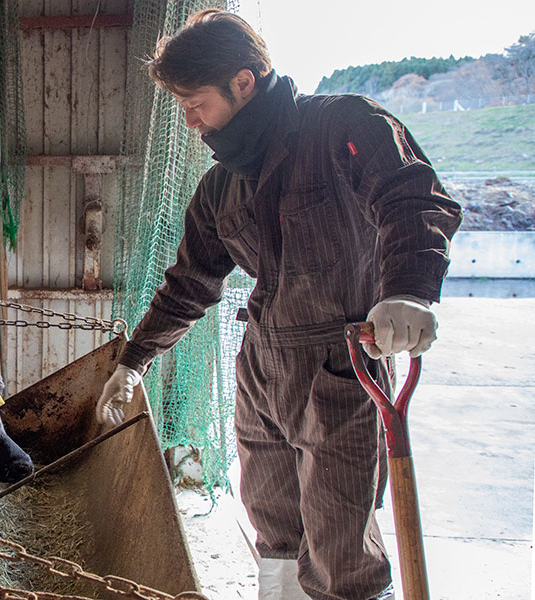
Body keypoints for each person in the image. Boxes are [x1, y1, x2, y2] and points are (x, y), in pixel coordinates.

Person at [93, 9, 461, 600]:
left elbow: (414, 196)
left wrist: (409, 290)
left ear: (243, 82)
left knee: (342, 548)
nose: (191, 123)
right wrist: (134, 360)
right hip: (261, 368)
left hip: (342, 367)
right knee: (274, 529)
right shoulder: (222, 185)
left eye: (195, 104)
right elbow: (189, 284)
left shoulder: (343, 127)